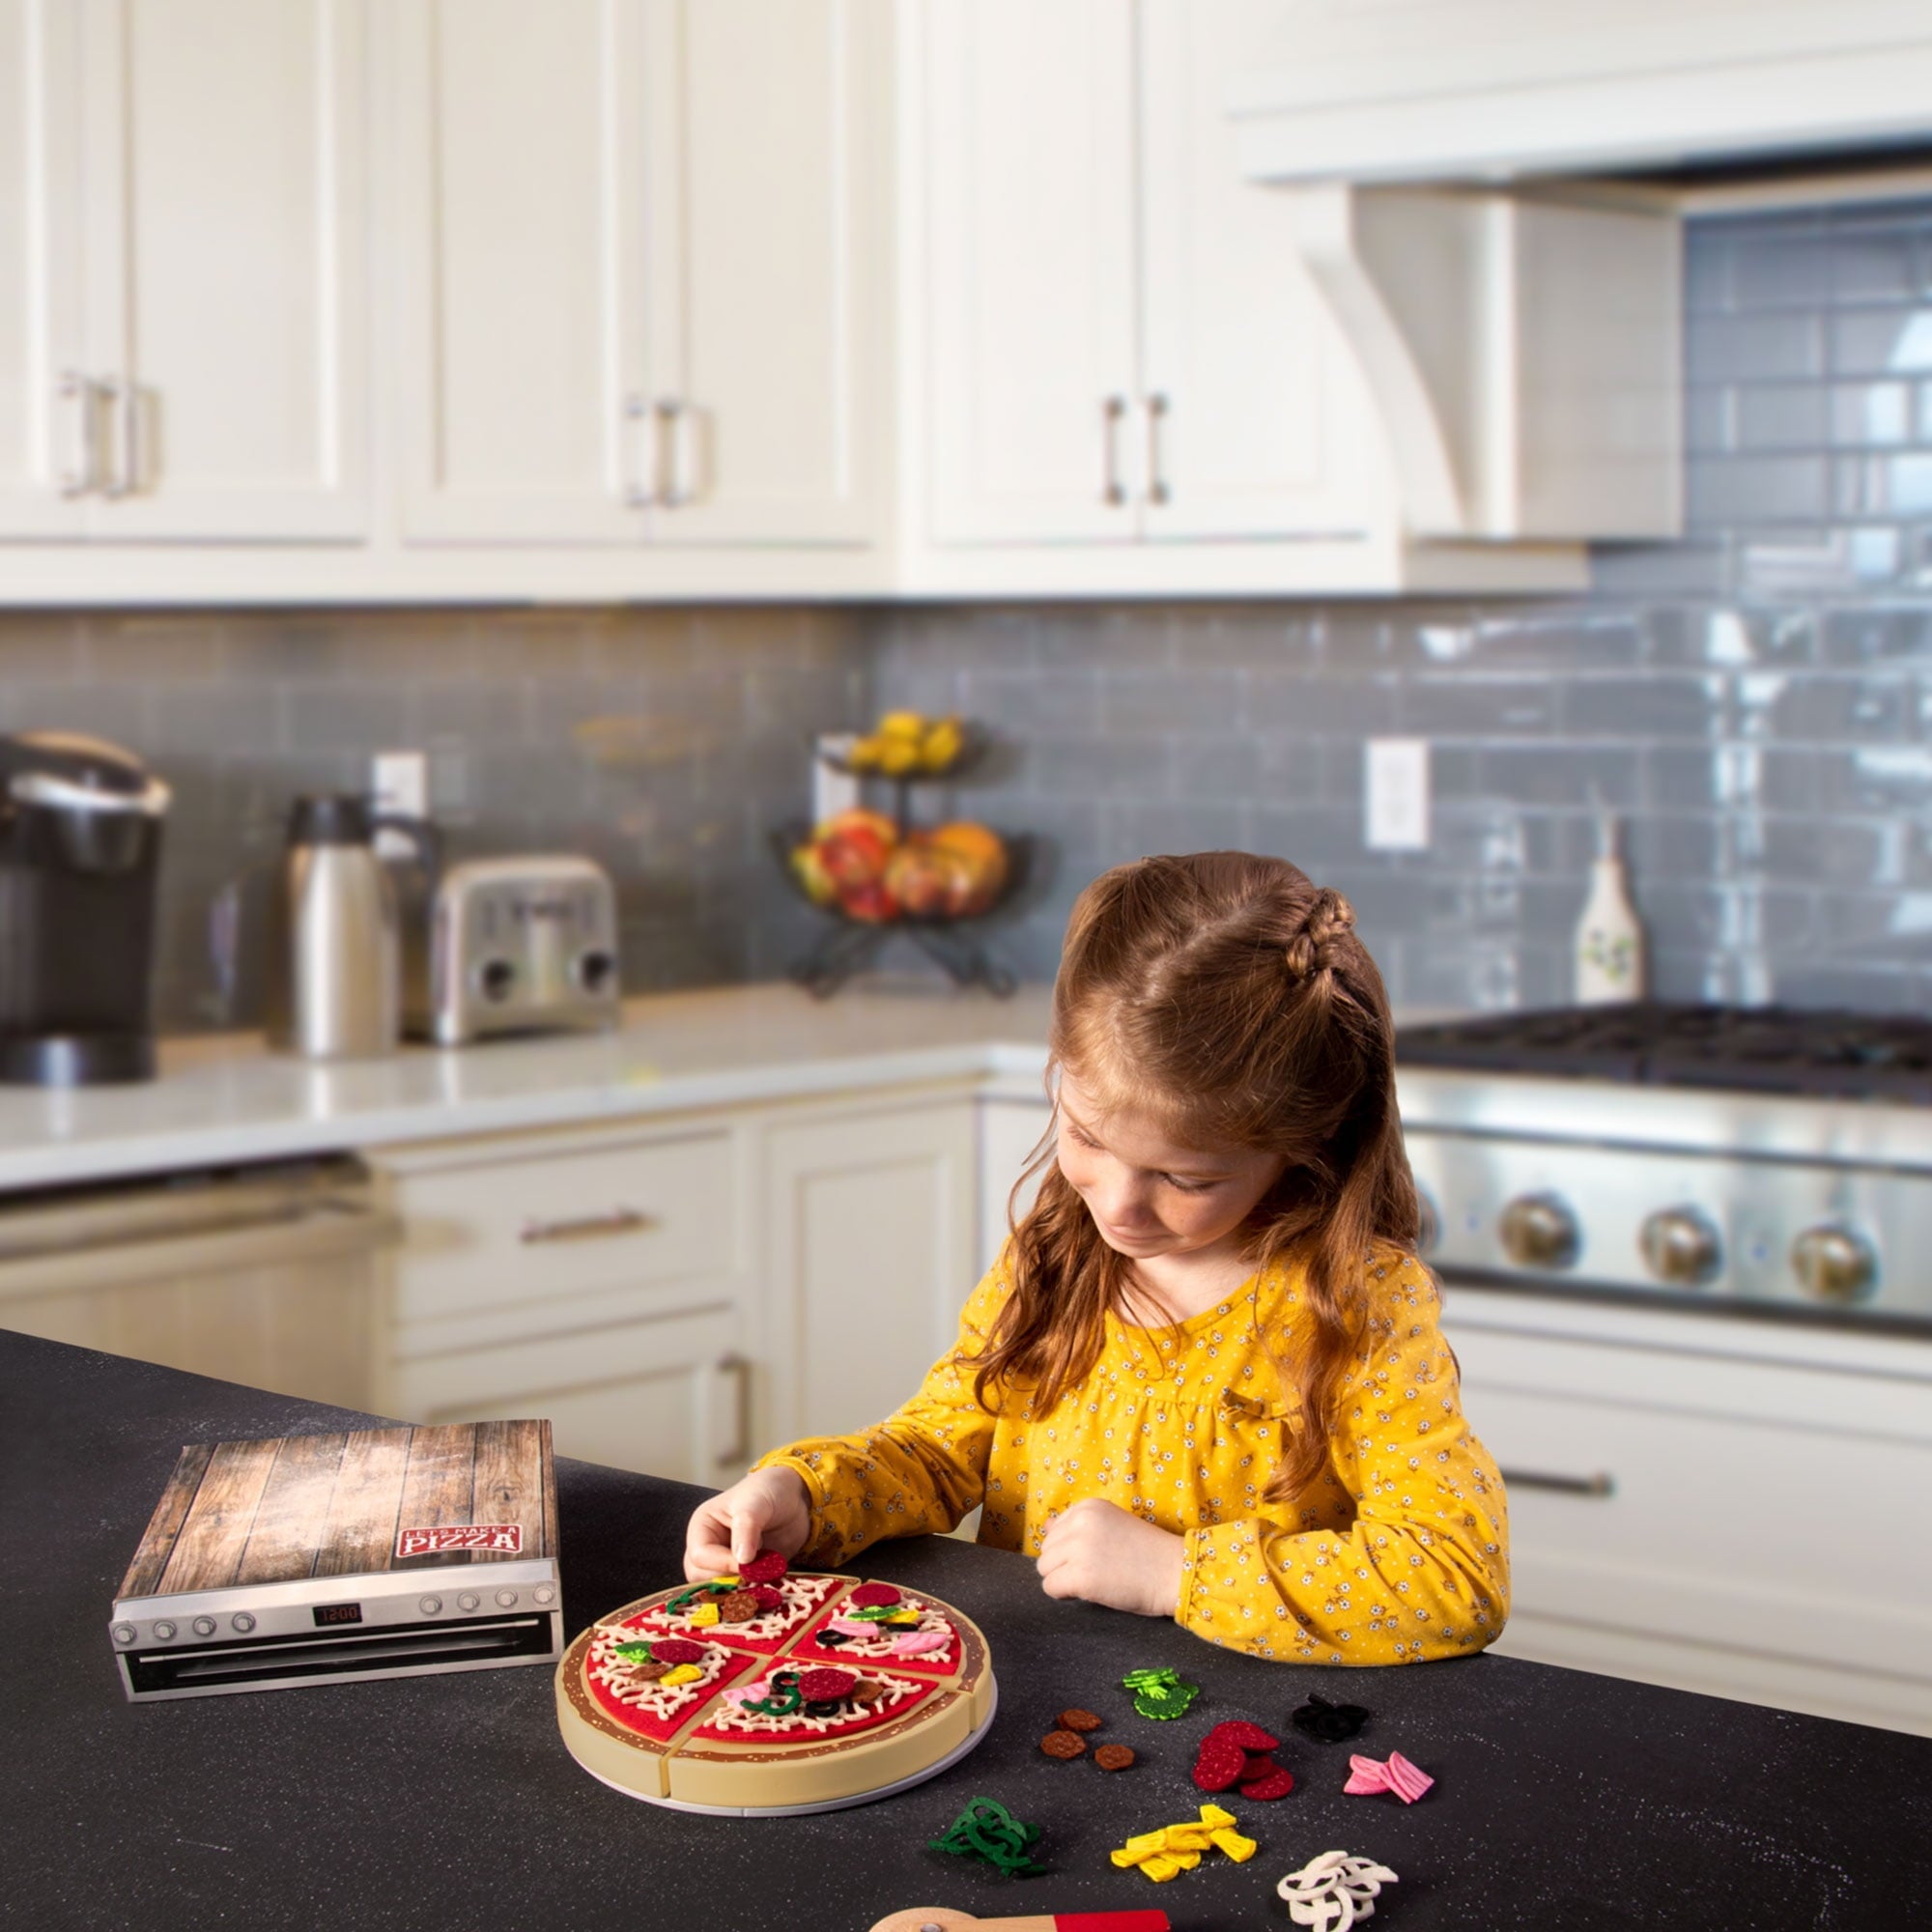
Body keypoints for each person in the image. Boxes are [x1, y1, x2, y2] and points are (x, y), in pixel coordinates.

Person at [684, 851, 1509, 1664]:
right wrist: (807, 1495)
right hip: (1045, 1706)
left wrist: (1177, 1574)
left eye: (1186, 1178)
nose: (1116, 1205)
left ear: (1304, 1145)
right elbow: (939, 1451)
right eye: (1085, 1136)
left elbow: (1454, 1577)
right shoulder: (1054, 1254)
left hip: (1256, 1734)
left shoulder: (1360, 1305)